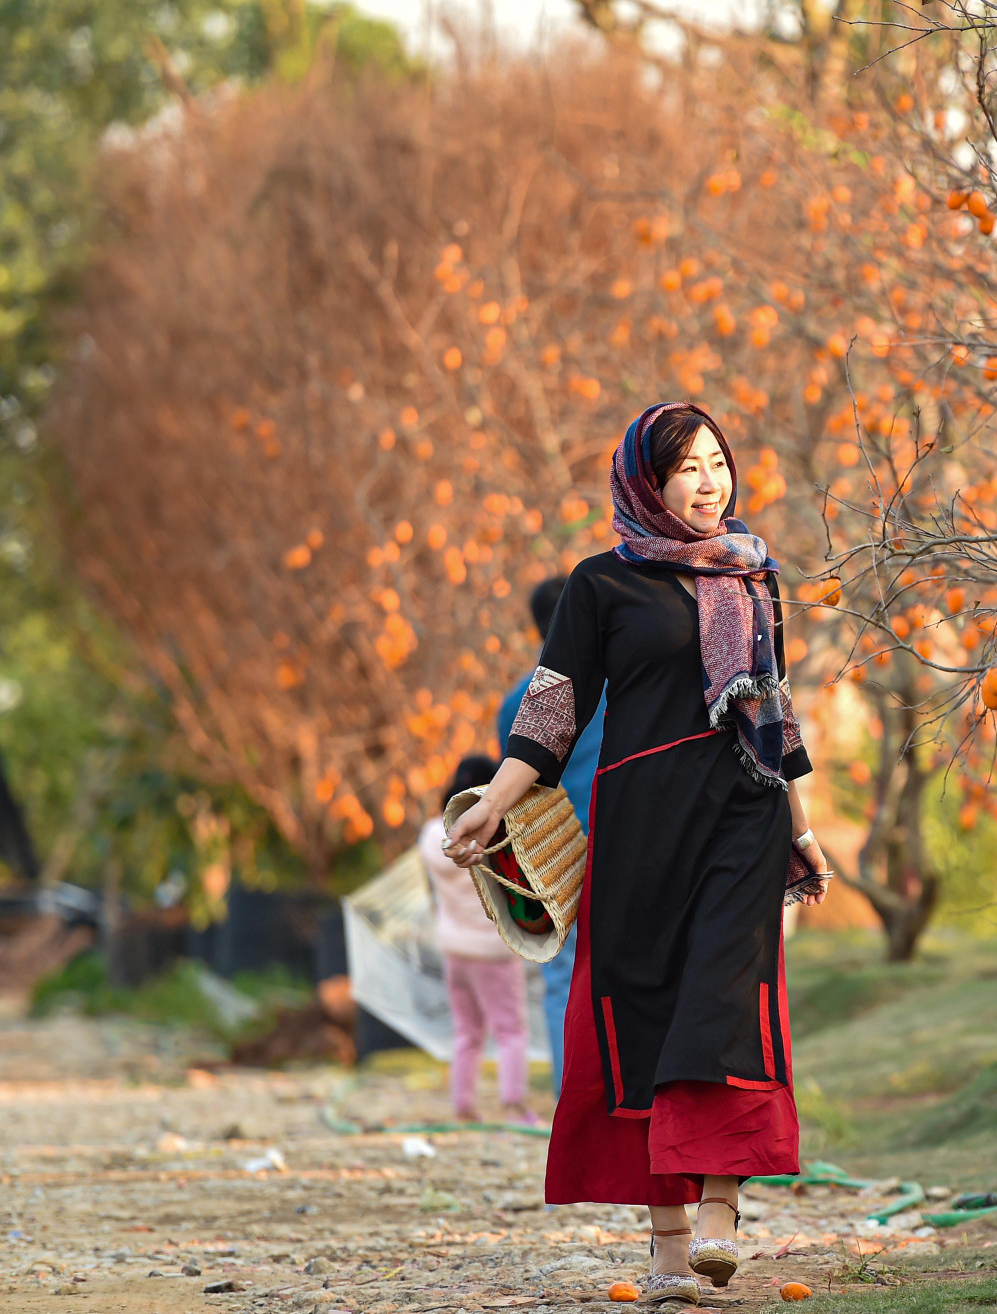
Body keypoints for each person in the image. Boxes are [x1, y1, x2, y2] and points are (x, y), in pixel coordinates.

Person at [445, 400, 832, 1307]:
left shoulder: (754, 576)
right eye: (690, 467)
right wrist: (492, 806)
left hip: (746, 813)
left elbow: (775, 713)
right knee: (643, 1014)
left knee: (724, 1000)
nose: (712, 482)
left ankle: (720, 1219)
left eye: (719, 463)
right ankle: (664, 1248)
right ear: (646, 483)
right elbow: (553, 709)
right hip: (642, 827)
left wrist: (804, 833)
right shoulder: (601, 585)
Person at [498, 577, 606, 1095]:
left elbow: (517, 789)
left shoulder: (515, 702)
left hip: (553, 859)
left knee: (563, 981)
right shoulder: (620, 686)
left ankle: (573, 1100)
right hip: (624, 845)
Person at [420, 753, 535, 1126]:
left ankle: (463, 1106)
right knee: (511, 1030)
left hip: (453, 948)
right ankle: (514, 1105)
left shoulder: (431, 837)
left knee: (467, 1033)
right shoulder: (494, 835)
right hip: (492, 950)